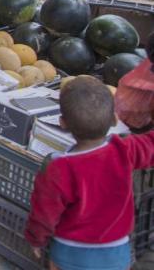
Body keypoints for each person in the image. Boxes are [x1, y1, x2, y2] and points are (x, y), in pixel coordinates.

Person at [25, 76, 154, 270]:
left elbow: (44, 212)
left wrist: (36, 239)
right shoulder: (125, 149)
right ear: (114, 119)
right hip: (116, 253)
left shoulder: (58, 168)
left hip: (70, 254)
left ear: (62, 123)